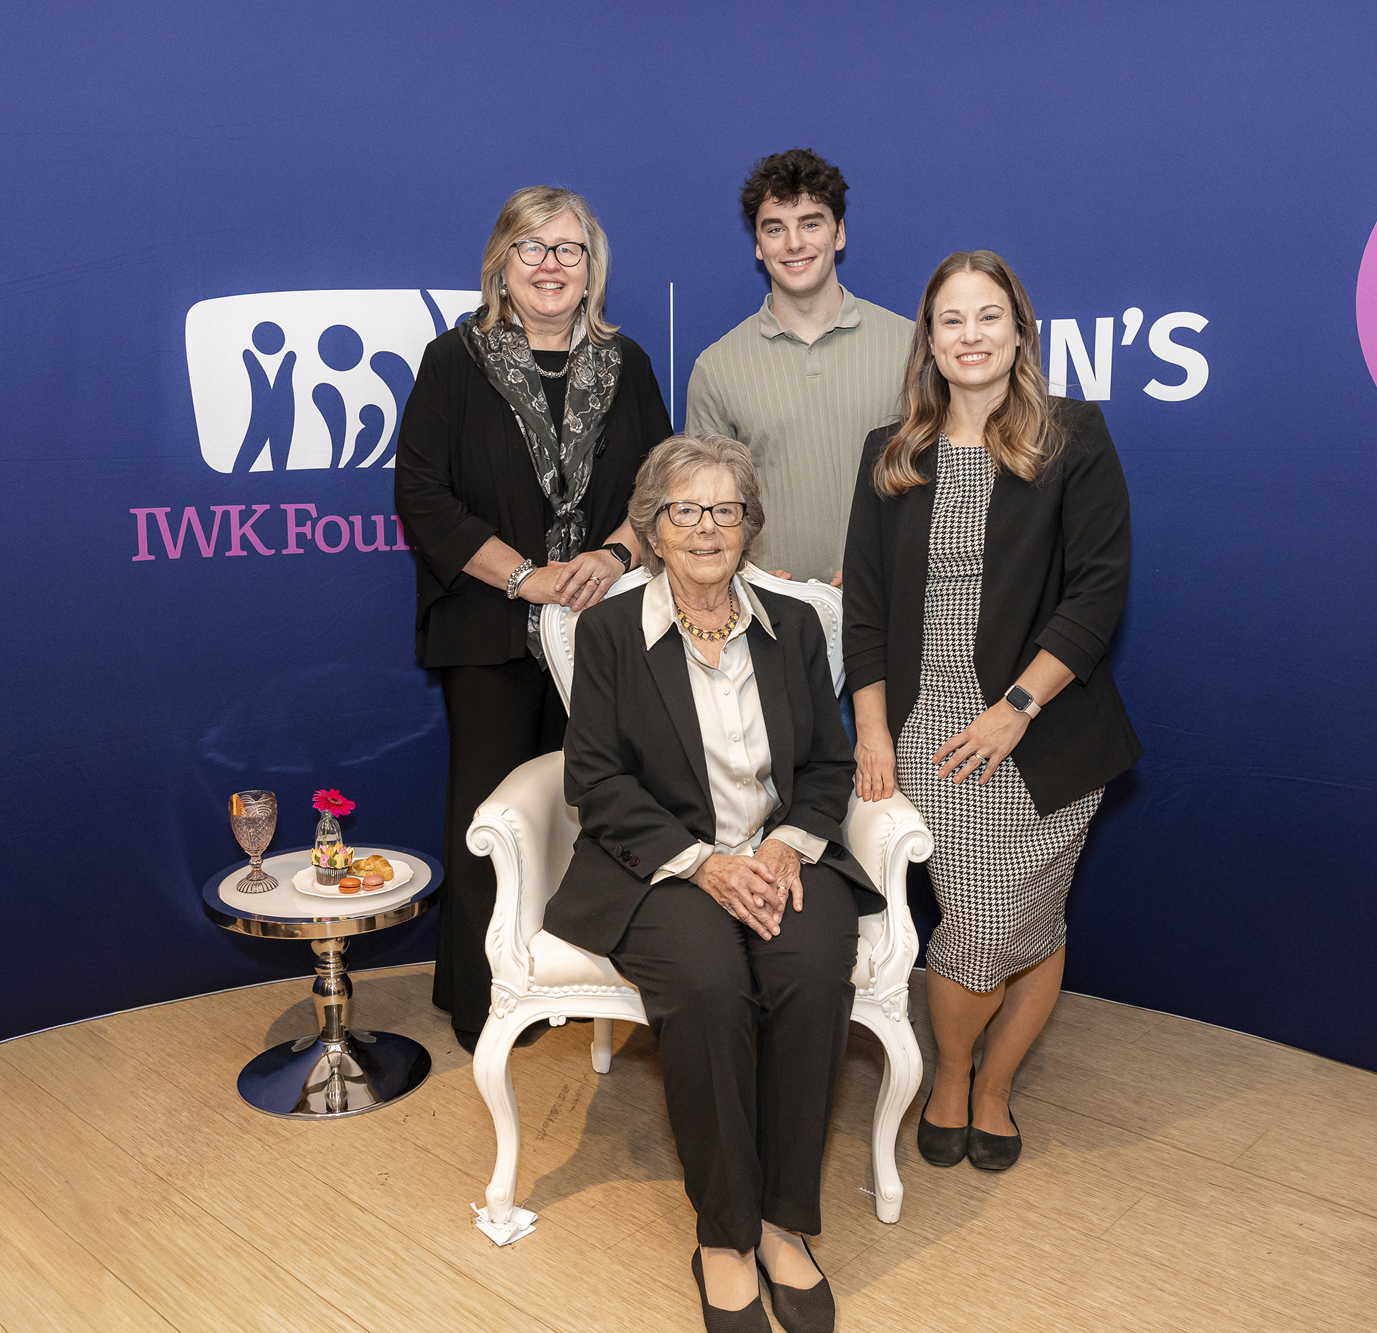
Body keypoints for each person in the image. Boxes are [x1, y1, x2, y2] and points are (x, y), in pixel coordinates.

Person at [547, 434, 881, 1333]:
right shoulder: (611, 630)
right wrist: (705, 864)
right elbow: (597, 781)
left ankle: (783, 1225)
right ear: (653, 530)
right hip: (663, 869)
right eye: (683, 511)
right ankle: (724, 1237)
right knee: (706, 986)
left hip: (778, 858)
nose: (705, 528)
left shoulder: (795, 625)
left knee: (813, 973)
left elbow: (824, 764)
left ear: (749, 527)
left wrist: (786, 845)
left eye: (725, 510)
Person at [842, 251, 1142, 1173]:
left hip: (1037, 733)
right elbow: (863, 607)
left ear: (1020, 330)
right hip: (924, 737)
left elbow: (1098, 592)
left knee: (1028, 917)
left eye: (987, 317)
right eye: (950, 321)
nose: (970, 337)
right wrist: (873, 731)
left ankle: (991, 1085)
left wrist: (1016, 705)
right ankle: (951, 1075)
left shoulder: (1073, 436)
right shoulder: (891, 452)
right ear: (927, 342)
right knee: (984, 922)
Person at [395, 186, 672, 1054]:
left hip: (605, 635)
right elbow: (421, 496)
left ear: (592, 269)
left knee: (598, 809)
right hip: (489, 628)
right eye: (532, 247)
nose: (551, 264)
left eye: (569, 248)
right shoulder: (454, 361)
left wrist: (618, 555)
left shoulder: (626, 364)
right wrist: (525, 576)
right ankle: (485, 998)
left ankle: (587, 984)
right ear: (501, 267)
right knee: (494, 814)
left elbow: (661, 487)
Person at [686, 148, 914, 588]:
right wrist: (744, 576)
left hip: (891, 605)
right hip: (767, 617)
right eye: (776, 228)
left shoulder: (909, 347)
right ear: (758, 243)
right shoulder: (717, 368)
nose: (794, 243)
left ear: (839, 233)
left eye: (810, 223)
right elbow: (703, 507)